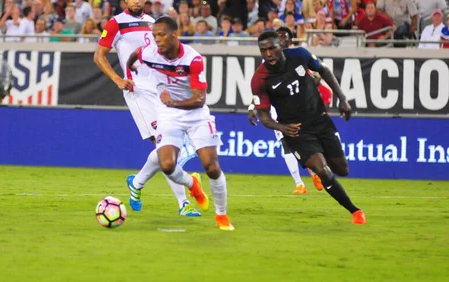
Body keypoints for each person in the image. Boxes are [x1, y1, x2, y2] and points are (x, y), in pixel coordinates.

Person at [93, 0, 201, 218]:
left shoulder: (153, 24)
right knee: (164, 144)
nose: (136, 1)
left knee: (168, 144)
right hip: (137, 91)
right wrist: (118, 80)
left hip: (159, 91)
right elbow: (98, 56)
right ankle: (183, 202)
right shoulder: (116, 23)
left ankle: (137, 182)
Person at [127, 16, 234, 231]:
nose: (157, 39)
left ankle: (221, 215)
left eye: (162, 34)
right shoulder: (149, 53)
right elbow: (134, 55)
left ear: (175, 34)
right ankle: (192, 184)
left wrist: (173, 101)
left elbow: (200, 99)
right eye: (154, 35)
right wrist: (132, 70)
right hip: (168, 115)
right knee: (167, 165)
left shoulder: (193, 60)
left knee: (212, 167)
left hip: (196, 115)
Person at [250, 31, 366, 224]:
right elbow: (264, 116)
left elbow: (325, 70)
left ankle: (319, 159)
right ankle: (355, 211)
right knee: (323, 170)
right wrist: (283, 128)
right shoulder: (260, 79)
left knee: (342, 169)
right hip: (297, 132)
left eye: (272, 48)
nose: (268, 53)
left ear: (281, 45)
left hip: (320, 121)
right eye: (263, 50)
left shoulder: (300, 55)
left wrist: (343, 98)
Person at [248, 27, 324, 193]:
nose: (281, 39)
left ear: (288, 40)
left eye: (284, 37)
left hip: (297, 106)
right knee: (286, 143)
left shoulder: (295, 57)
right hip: (277, 108)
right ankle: (300, 183)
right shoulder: (268, 62)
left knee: (301, 140)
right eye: (279, 36)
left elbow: (313, 75)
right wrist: (253, 106)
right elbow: (260, 88)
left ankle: (313, 170)